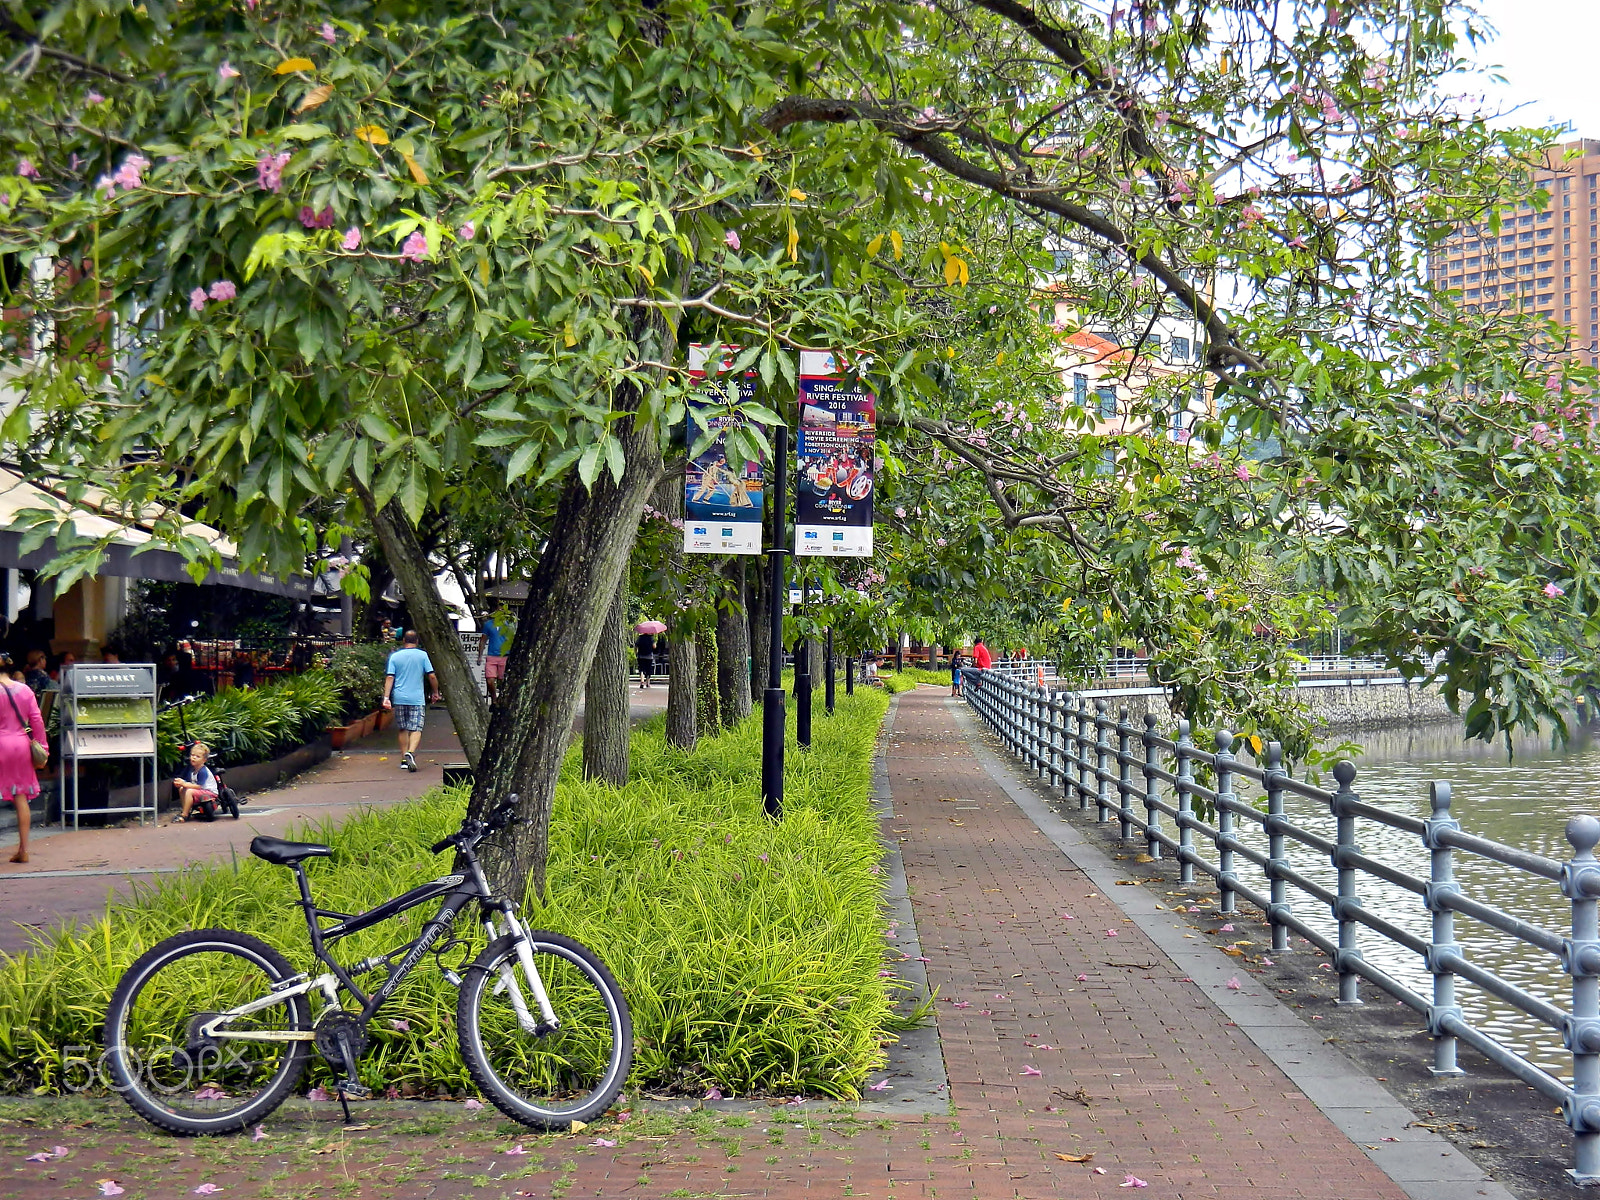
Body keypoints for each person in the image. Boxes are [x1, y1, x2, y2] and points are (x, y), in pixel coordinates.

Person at [0, 672, 44, 862]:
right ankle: (23, 850)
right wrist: (44, 747)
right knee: (21, 797)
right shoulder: (25, 690)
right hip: (21, 746)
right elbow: (37, 720)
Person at [382, 630, 439, 773]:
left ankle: (403, 759)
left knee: (403, 728)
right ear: (417, 641)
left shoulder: (395, 657)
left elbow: (390, 677)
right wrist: (435, 692)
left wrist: (386, 697)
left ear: (403, 641)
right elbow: (431, 676)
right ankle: (410, 753)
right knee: (416, 728)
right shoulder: (423, 655)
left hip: (399, 697)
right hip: (417, 699)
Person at [171, 741, 219, 824]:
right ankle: (186, 810)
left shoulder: (203, 771)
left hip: (210, 792)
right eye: (192, 755)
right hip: (201, 791)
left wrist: (184, 783)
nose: (193, 758)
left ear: (204, 760)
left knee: (189, 791)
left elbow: (199, 786)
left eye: (197, 756)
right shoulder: (193, 769)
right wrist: (182, 783)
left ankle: (184, 815)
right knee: (182, 789)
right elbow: (192, 783)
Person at [481, 609, 511, 702]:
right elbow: (483, 640)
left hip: (504, 656)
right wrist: (480, 655)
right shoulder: (488, 625)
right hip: (491, 656)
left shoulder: (509, 624)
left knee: (502, 680)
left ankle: (502, 700)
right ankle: (494, 699)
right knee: (489, 680)